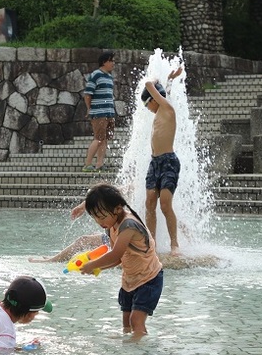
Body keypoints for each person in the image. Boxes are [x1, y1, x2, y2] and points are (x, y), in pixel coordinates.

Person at [78, 183, 163, 340]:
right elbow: (118, 259)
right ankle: (128, 349)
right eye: (95, 217)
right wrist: (99, 268)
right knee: (126, 322)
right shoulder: (111, 226)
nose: (99, 221)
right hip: (130, 279)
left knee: (136, 320)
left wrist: (93, 264)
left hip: (149, 278)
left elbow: (115, 254)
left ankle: (138, 350)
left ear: (117, 209)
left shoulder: (129, 225)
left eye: (102, 217)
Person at [141, 67, 183, 255]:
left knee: (165, 204)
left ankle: (175, 244)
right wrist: (169, 80)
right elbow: (165, 93)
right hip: (154, 162)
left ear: (153, 100)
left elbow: (149, 85)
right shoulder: (161, 111)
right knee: (150, 202)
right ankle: (152, 243)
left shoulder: (167, 109)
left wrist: (156, 79)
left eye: (146, 104)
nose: (147, 108)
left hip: (168, 162)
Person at [82, 51, 116, 172]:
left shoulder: (109, 77)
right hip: (99, 113)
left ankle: (99, 163)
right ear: (104, 62)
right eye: (111, 61)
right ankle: (88, 164)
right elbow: (87, 94)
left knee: (105, 139)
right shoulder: (96, 75)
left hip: (109, 113)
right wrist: (89, 109)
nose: (113, 63)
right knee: (98, 138)